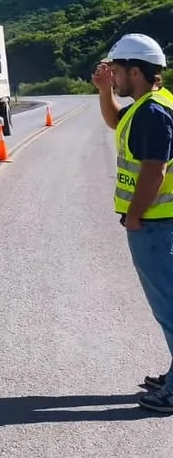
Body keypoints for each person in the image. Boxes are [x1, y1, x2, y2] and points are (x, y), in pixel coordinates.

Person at [92, 33, 173, 415]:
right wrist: (104, 90)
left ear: (136, 72)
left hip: (156, 225)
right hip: (156, 224)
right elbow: (113, 121)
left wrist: (136, 215)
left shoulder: (152, 112)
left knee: (170, 308)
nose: (114, 77)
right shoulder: (148, 106)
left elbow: (154, 171)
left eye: (117, 72)